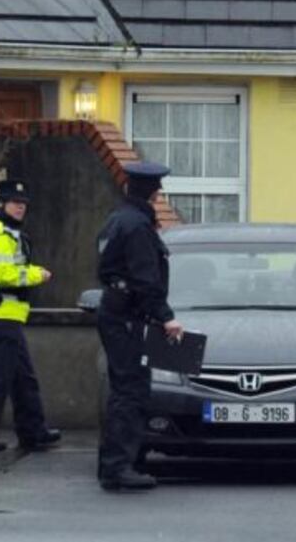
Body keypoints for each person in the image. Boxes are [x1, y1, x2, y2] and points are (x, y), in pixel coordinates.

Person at [95, 162, 184, 491]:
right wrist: (166, 317)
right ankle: (119, 468)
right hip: (127, 316)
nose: (159, 194)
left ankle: (112, 464)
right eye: (158, 190)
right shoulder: (137, 227)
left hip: (117, 312)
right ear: (152, 191)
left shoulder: (117, 220)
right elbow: (145, 278)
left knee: (122, 390)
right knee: (131, 392)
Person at [0, 178, 61, 453]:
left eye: (23, 204)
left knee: (22, 378)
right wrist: (36, 274)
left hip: (9, 315)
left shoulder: (9, 232)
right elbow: (4, 274)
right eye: (15, 203)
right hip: (1, 315)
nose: (20, 208)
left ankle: (33, 431)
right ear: (1, 203)